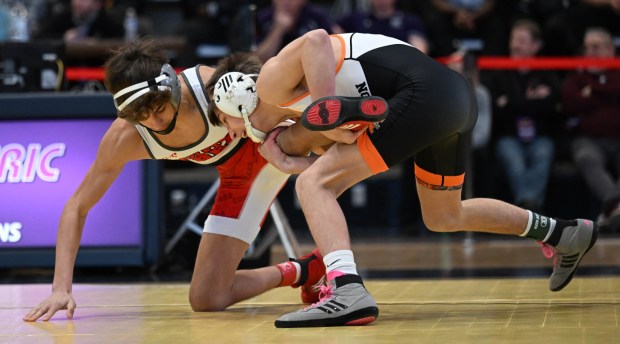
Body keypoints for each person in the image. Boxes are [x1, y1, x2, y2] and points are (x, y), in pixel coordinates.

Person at [205, 29, 598, 328]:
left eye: (224, 123)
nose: (232, 134)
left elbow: (315, 39)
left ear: (232, 96)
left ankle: (346, 290)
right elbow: (339, 177)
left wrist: (327, 108)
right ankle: (562, 233)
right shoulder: (301, 110)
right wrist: (294, 162)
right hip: (451, 100)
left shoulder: (271, 82)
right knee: (443, 215)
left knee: (315, 184)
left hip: (420, 95)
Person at [21, 38, 327, 322]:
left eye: (159, 109)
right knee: (207, 298)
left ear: (172, 89)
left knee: (304, 127)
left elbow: (287, 98)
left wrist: (324, 140)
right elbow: (76, 207)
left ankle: (353, 145)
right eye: (143, 117)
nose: (156, 122)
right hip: (239, 178)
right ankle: (306, 270)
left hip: (267, 146)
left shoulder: (209, 87)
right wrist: (61, 287)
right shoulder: (124, 138)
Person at [482, 19, 562, 212]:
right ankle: (532, 209)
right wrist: (531, 100)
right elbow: (498, 108)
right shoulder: (499, 72)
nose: (516, 45)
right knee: (513, 158)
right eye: (514, 39)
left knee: (543, 154)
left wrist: (512, 102)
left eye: (522, 40)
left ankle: (524, 209)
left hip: (540, 135)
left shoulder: (546, 73)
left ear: (536, 46)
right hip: (509, 135)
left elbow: (550, 106)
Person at [562, 27, 620, 231]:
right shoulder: (578, 76)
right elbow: (569, 102)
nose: (590, 52)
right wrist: (608, 95)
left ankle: (610, 210)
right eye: (587, 48)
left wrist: (592, 93)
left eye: (596, 47)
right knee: (586, 157)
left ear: (611, 50)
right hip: (588, 138)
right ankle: (616, 207)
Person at [254, 0, 342, 62]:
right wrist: (278, 30)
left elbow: (337, 47)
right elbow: (258, 60)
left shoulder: (316, 16)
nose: (286, 1)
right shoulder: (263, 18)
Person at [336, 0, 429, 54]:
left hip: (398, 68)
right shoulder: (355, 18)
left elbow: (420, 50)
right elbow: (335, 34)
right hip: (362, 67)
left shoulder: (409, 21)